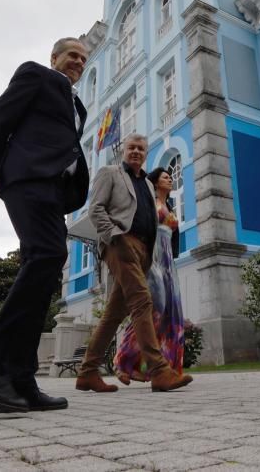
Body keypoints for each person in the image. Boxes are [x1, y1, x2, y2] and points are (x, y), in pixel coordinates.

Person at [0, 37, 90, 413]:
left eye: (83, 59)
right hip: (27, 179)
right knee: (47, 255)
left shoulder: (76, 103)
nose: (78, 63)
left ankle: (20, 380)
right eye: (72, 56)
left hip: (54, 189)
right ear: (54, 58)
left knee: (46, 270)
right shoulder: (36, 74)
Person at [75, 135, 192, 393]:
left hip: (143, 251)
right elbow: (96, 209)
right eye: (132, 148)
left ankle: (87, 373)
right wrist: (115, 237)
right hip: (120, 244)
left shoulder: (147, 185)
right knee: (142, 301)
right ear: (124, 151)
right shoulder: (110, 173)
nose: (136, 152)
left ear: (146, 153)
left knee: (114, 313)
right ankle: (160, 371)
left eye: (141, 149)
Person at [113, 165, 185, 383]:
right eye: (165, 177)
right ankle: (122, 359)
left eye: (170, 177)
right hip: (150, 258)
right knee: (155, 307)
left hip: (167, 263)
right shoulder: (148, 203)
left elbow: (172, 237)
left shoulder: (169, 206)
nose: (170, 179)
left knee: (170, 316)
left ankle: (163, 370)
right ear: (155, 182)